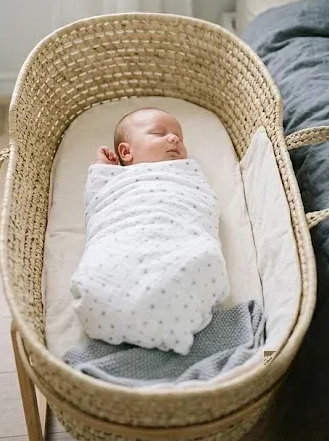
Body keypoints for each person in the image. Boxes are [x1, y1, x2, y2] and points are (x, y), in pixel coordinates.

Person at [74, 107, 229, 355]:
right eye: (159, 133)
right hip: (123, 233)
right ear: (126, 151)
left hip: (179, 230)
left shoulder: (187, 172)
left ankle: (174, 308)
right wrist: (101, 169)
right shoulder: (116, 182)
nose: (175, 139)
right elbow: (96, 200)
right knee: (102, 263)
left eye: (179, 137)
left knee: (202, 255)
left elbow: (202, 201)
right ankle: (123, 303)